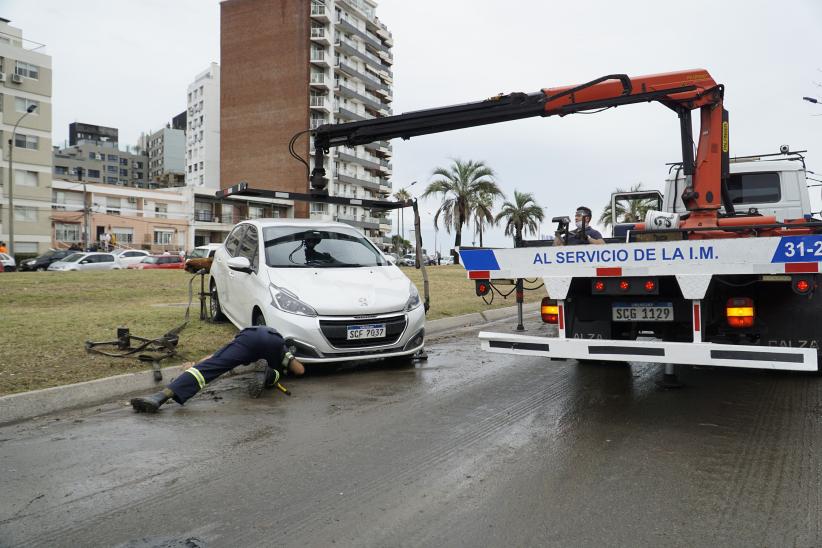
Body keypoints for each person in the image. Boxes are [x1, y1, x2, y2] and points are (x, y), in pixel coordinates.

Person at [130, 326, 305, 413]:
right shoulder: (281, 346)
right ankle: (268, 374)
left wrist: (196, 365)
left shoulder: (246, 336)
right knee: (275, 373)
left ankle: (159, 397)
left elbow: (214, 358)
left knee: (211, 367)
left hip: (248, 337)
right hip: (273, 345)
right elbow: (300, 371)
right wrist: (287, 359)